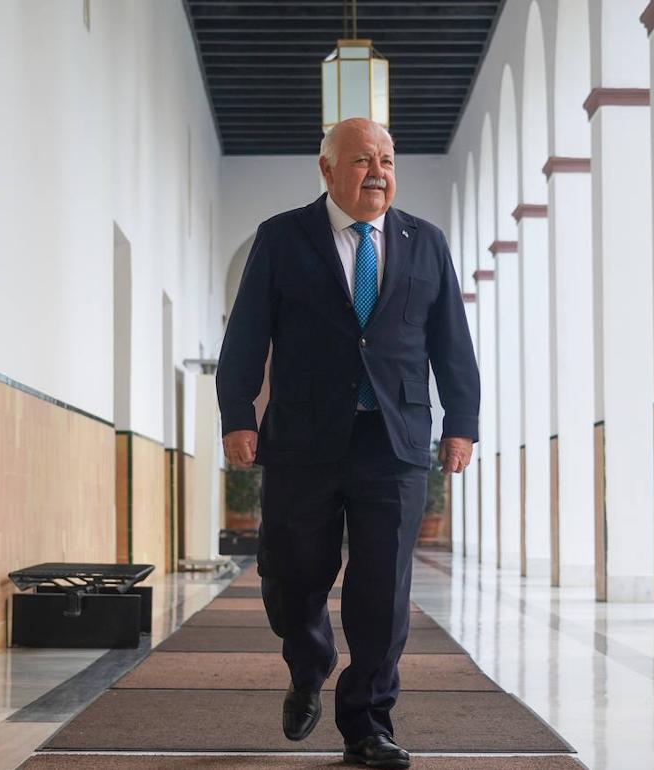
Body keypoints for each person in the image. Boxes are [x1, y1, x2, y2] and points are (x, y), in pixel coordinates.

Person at [215, 117, 480, 769]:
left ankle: (367, 721)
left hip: (394, 441)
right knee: (292, 572)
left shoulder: (426, 243)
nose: (379, 172)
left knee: (383, 587)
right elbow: (247, 334)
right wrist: (237, 415)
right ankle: (309, 661)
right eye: (363, 160)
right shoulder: (282, 238)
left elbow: (451, 342)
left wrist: (462, 422)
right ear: (327, 169)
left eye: (387, 160)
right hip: (303, 439)